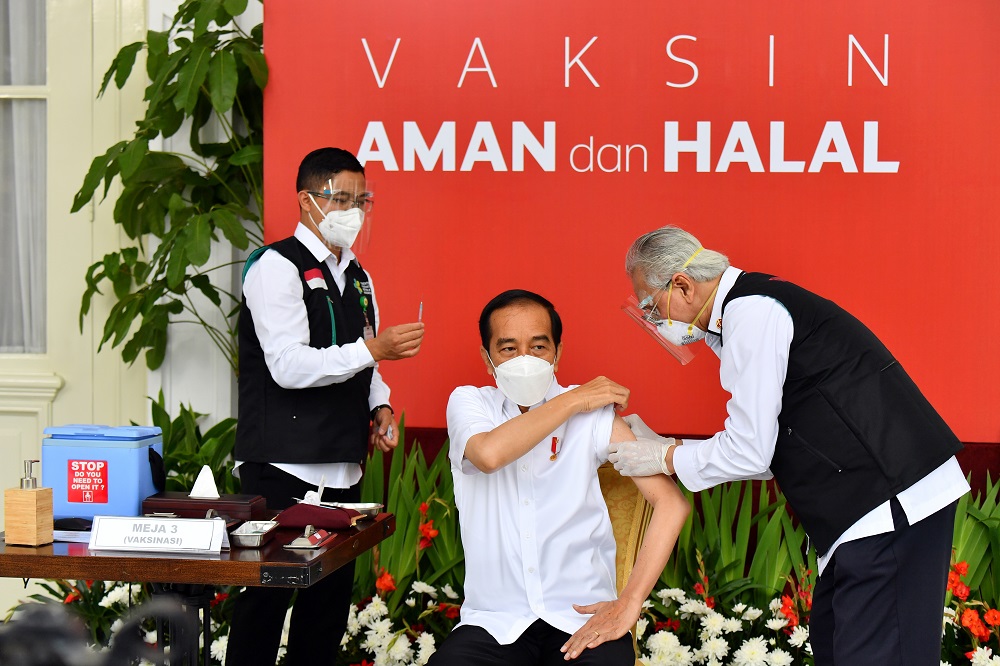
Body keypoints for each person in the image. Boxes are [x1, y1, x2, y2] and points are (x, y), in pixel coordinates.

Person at [610, 225, 970, 666]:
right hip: (861, 513)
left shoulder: (752, 312)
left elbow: (751, 451)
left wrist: (664, 455)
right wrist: (670, 449)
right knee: (838, 645)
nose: (653, 319)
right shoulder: (747, 311)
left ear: (682, 284)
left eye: (651, 304)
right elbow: (768, 449)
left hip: (888, 502)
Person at [226, 147, 424, 666]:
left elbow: (366, 358)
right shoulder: (276, 266)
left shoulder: (358, 274)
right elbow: (287, 365)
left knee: (326, 610)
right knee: (264, 606)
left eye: (362, 200)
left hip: (341, 467)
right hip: (281, 468)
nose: (353, 212)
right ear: (307, 201)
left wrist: (379, 407)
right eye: (341, 199)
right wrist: (372, 351)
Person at [430, 290, 690, 666]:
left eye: (538, 346)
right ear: (487, 360)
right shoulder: (471, 404)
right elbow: (489, 455)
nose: (525, 360)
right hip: (494, 624)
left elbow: (671, 503)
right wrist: (572, 401)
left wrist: (630, 602)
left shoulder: (593, 417)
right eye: (508, 349)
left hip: (581, 619)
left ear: (558, 353)